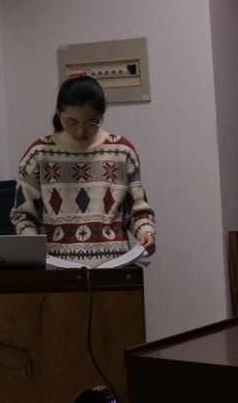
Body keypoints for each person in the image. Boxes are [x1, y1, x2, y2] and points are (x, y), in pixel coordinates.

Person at [10, 75, 156, 266]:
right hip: (56, 267)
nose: (80, 131)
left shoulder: (122, 151)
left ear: (102, 115)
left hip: (115, 267)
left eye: (91, 122)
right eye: (71, 122)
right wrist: (32, 246)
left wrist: (146, 232)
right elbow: (23, 214)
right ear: (58, 112)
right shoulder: (38, 154)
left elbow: (136, 210)